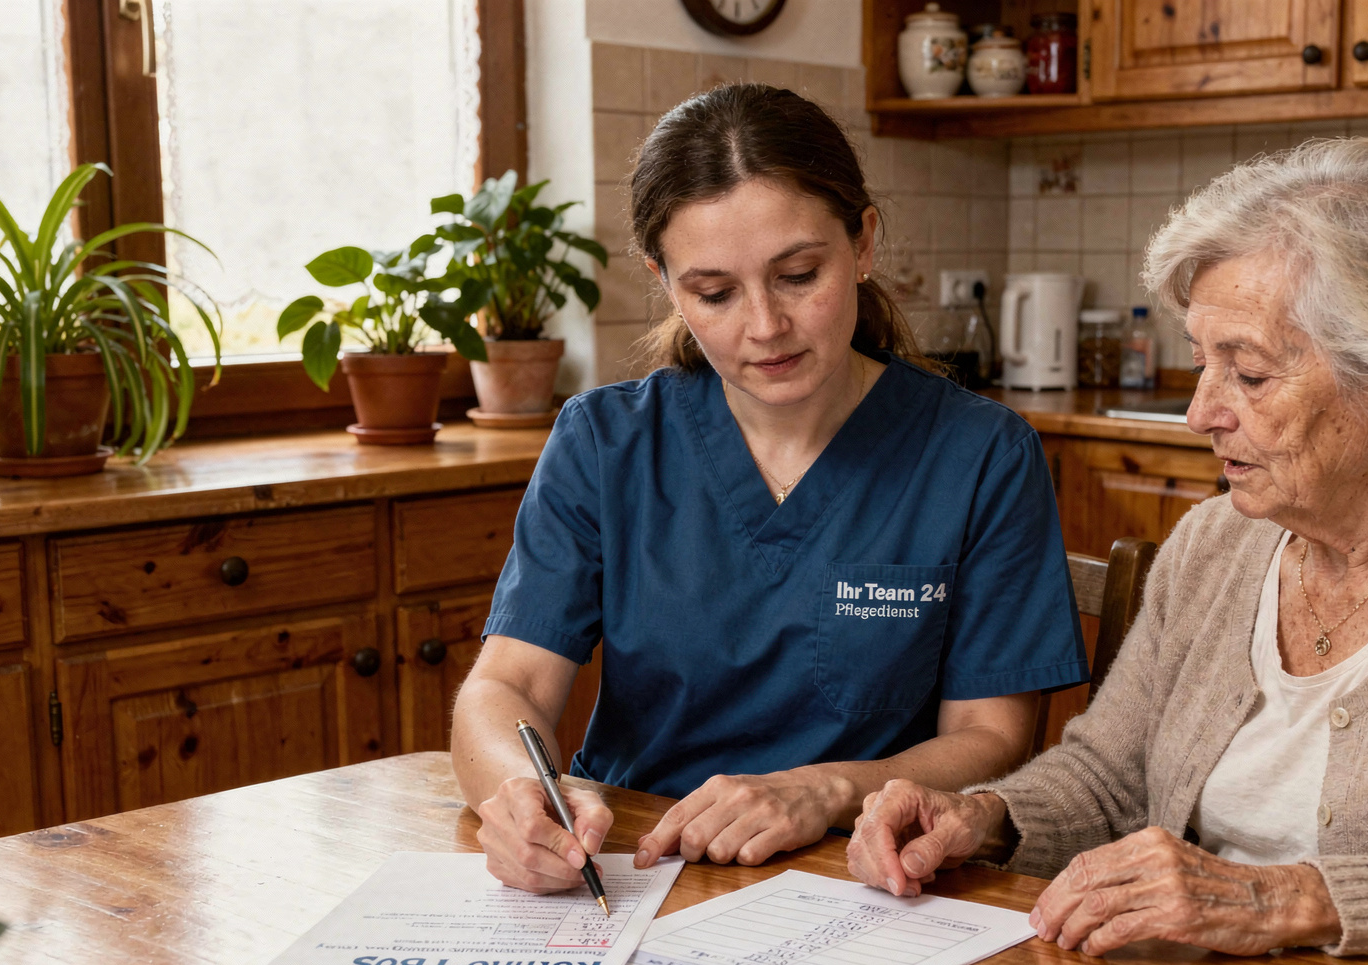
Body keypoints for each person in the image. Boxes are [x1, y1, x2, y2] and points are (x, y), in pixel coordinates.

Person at [847, 137, 1368, 965]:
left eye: (1249, 373)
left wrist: (1282, 901)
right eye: (1203, 364)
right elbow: (1107, 776)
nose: (1202, 411)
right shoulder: (1212, 544)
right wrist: (983, 819)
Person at [454, 84, 1088, 895]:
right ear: (666, 281)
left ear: (862, 242)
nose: (764, 326)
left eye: (797, 275)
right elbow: (505, 684)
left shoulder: (981, 454)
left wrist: (826, 790)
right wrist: (516, 793)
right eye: (714, 294)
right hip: (635, 869)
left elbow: (994, 735)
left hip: (861, 879)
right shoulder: (605, 443)